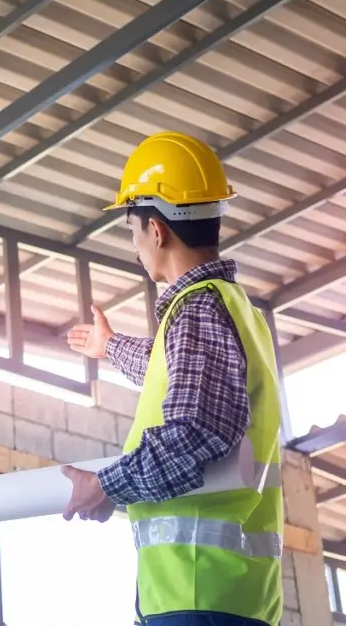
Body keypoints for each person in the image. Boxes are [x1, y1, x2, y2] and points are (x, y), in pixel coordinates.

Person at [64, 132, 283, 626]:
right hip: (230, 594)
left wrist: (107, 485)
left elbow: (194, 432)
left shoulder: (199, 308)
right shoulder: (234, 310)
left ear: (156, 230)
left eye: (132, 232)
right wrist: (111, 347)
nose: (136, 248)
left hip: (196, 592)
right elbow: (182, 376)